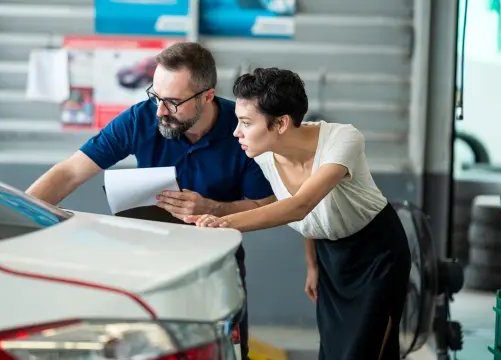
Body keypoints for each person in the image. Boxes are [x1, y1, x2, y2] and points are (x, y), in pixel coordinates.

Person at [25, 42, 276, 359]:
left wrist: (213, 209)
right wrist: (15, 215)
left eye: (172, 102)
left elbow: (265, 206)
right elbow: (71, 172)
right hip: (150, 259)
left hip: (215, 264)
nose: (159, 111)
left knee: (227, 351)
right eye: (155, 96)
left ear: (207, 96)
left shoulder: (242, 129)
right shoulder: (141, 118)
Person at [185, 68, 412, 360]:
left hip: (377, 253)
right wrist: (313, 264)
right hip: (331, 257)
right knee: (333, 350)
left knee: (364, 351)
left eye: (245, 123)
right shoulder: (265, 155)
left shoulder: (342, 140)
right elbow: (308, 217)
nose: (235, 132)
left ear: (280, 123)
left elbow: (301, 204)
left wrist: (224, 223)